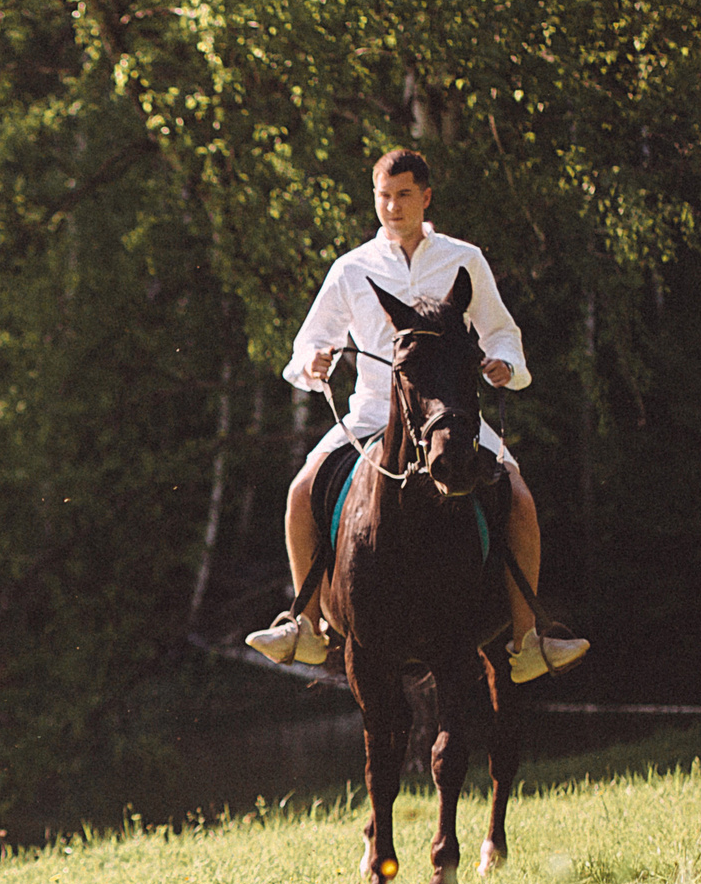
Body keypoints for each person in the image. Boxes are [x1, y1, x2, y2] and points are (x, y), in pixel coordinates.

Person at [247, 147, 590, 683]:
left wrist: (504, 364)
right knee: (298, 493)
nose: (392, 206)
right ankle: (306, 626)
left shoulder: (463, 259)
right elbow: (308, 347)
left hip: (447, 415)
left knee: (519, 498)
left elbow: (501, 331)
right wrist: (314, 362)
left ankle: (528, 641)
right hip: (370, 417)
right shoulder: (351, 269)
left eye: (403, 194)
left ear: (425, 197)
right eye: (383, 196)